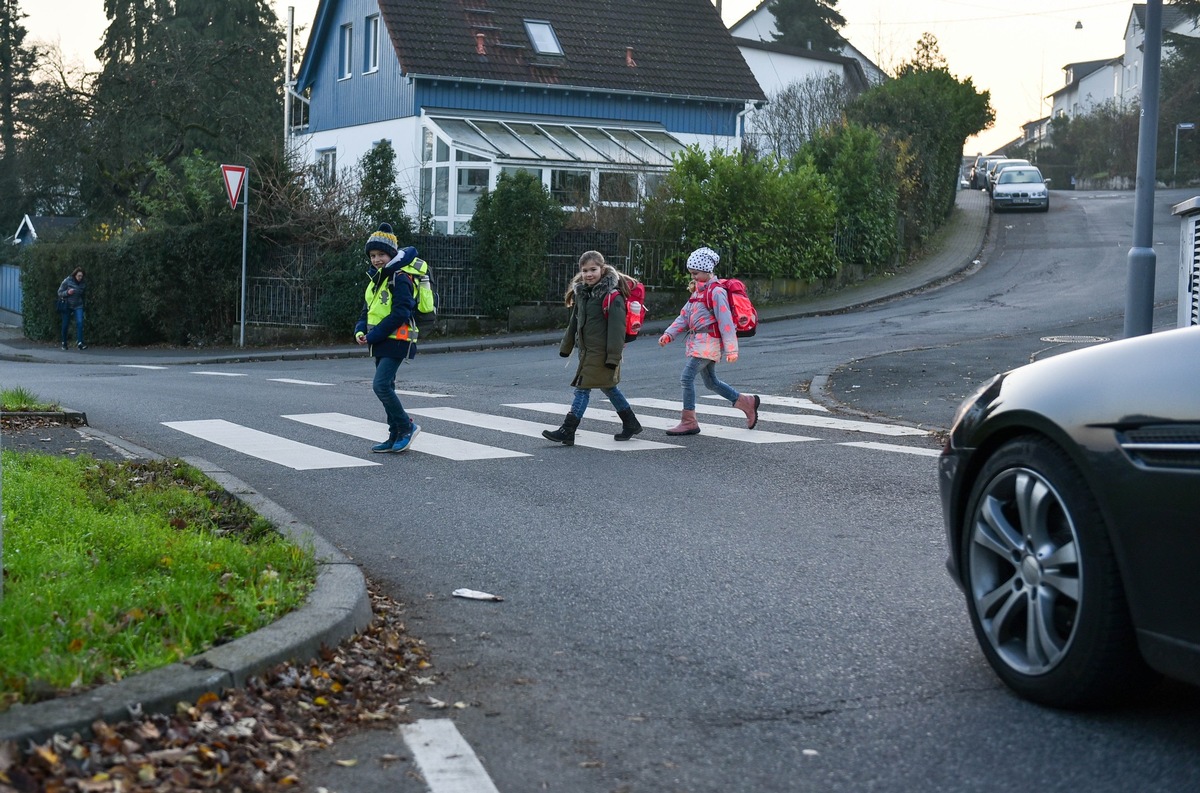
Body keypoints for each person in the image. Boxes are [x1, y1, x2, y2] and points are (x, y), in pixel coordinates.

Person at [542, 250, 643, 445]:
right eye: (585, 270)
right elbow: (574, 322)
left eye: (593, 269)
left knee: (582, 388)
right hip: (586, 351)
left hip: (602, 353)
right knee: (609, 388)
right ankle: (631, 423)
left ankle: (567, 430)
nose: (589, 274)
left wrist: (613, 357)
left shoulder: (612, 296)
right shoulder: (583, 294)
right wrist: (566, 346)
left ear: (602, 269)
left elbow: (617, 330)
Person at [658, 246, 759, 435]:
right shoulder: (697, 292)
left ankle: (689, 421)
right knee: (711, 382)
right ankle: (746, 402)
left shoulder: (716, 292)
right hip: (700, 342)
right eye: (691, 274)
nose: (693, 277)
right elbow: (684, 316)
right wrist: (669, 333)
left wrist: (731, 350)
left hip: (709, 343)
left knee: (686, 378)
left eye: (695, 273)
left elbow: (726, 321)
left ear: (706, 270)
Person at [354, 223, 422, 454]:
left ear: (391, 254)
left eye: (381, 254)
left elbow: (402, 312)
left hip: (397, 340)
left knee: (381, 385)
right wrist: (360, 331)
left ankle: (406, 427)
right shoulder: (376, 280)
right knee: (387, 386)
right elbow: (366, 311)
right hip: (380, 341)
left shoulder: (399, 277)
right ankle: (394, 435)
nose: (376, 259)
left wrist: (374, 334)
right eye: (373, 255)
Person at [57, 267, 87, 350]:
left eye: (81, 276)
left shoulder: (83, 283)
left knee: (80, 323)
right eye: (78, 276)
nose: (80, 278)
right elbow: (59, 292)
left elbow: (83, 294)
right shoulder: (67, 281)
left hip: (78, 305)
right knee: (65, 324)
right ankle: (64, 342)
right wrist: (67, 292)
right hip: (67, 305)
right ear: (75, 275)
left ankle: (80, 343)